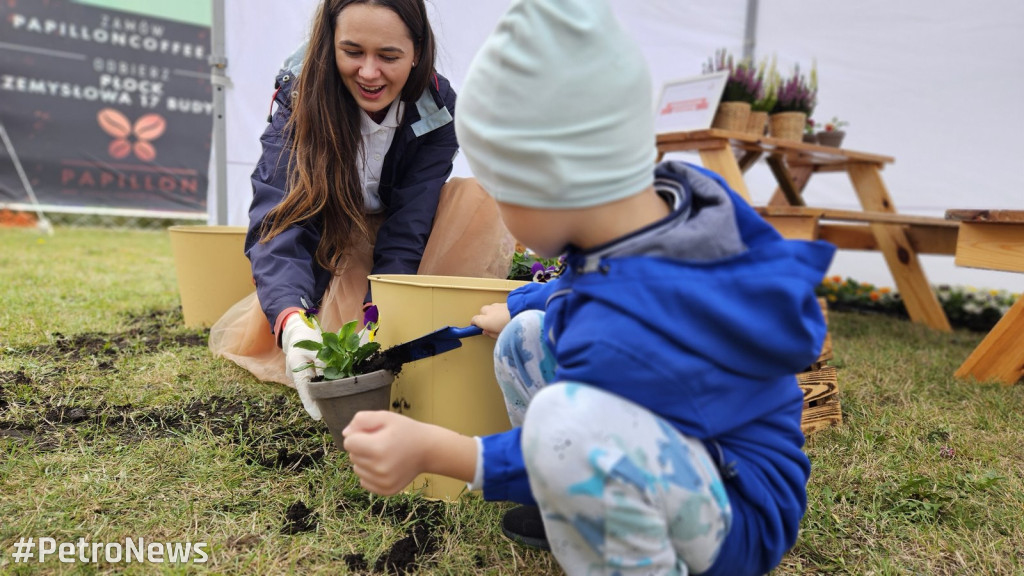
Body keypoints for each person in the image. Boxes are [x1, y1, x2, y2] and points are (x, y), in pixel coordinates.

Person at [341, 0, 836, 574]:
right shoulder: (679, 199)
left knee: (567, 424)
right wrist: (521, 304)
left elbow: (575, 443)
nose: (502, 216)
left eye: (504, 195)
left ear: (548, 182)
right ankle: (563, 508)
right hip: (708, 452)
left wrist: (434, 450)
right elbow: (582, 287)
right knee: (526, 334)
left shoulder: (623, 330)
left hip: (733, 511)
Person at [208, 0, 514, 418]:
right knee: (323, 317)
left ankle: (405, 318)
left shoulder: (437, 110)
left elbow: (409, 224)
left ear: (417, 53)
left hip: (392, 236)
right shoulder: (299, 99)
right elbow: (279, 215)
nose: (369, 73)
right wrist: (293, 320)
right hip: (334, 233)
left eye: (388, 56)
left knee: (476, 198)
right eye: (352, 52)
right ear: (329, 45)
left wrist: (380, 314)